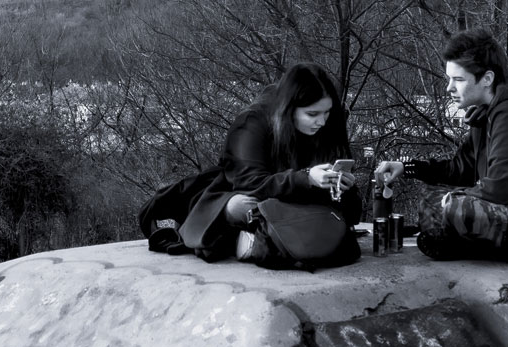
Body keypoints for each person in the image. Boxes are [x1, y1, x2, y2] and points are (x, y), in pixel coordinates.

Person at [374, 29, 508, 261]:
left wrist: (450, 202)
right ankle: (459, 242)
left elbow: (496, 191)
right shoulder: (485, 115)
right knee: (431, 197)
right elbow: (458, 170)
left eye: (458, 80)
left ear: (487, 79)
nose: (449, 88)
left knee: (454, 208)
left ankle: (459, 243)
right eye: (449, 78)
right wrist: (408, 167)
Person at [138, 62, 362, 268]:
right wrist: (305, 178)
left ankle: (265, 240)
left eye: (327, 113)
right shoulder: (252, 123)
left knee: (344, 206)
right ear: (289, 108)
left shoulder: (329, 124)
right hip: (254, 195)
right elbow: (249, 182)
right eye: (312, 114)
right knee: (240, 206)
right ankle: (253, 239)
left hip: (302, 199)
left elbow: (343, 196)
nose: (321, 122)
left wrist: (339, 183)